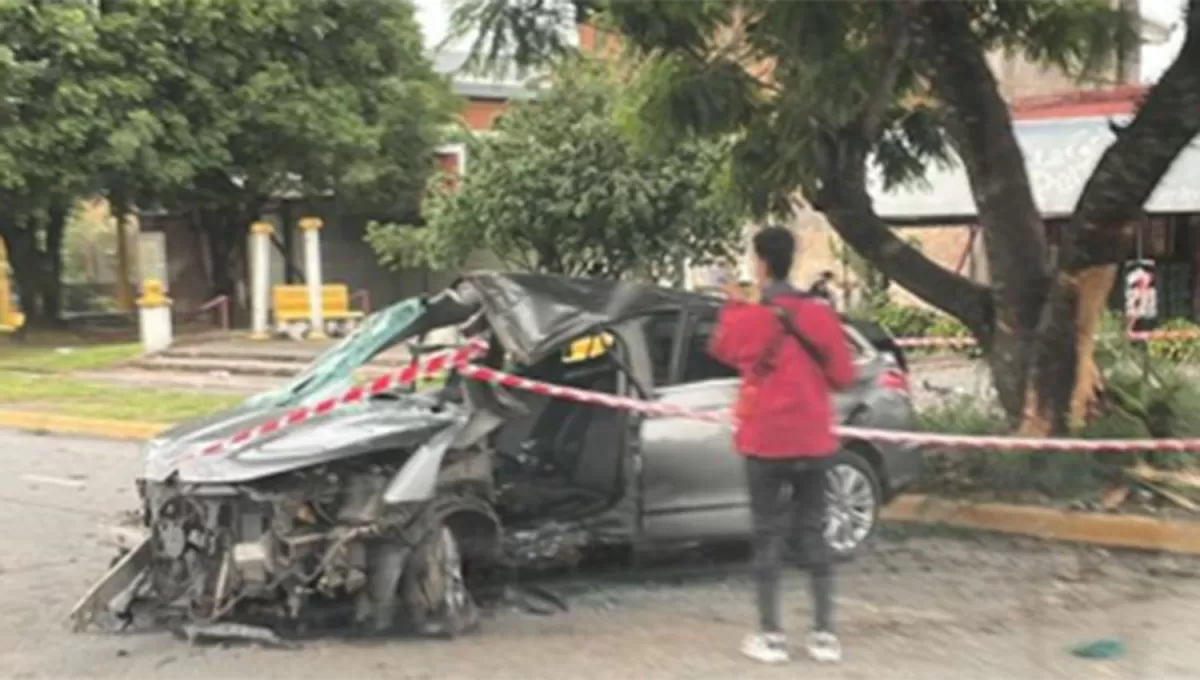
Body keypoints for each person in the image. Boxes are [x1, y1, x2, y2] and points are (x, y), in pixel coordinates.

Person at [708, 227, 856, 665]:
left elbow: (722, 348)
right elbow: (843, 376)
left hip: (766, 441)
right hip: (814, 439)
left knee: (767, 534)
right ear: (792, 260)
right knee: (814, 532)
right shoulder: (820, 314)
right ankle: (824, 635)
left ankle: (771, 636)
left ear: (761, 263)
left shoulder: (752, 315)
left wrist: (735, 302)